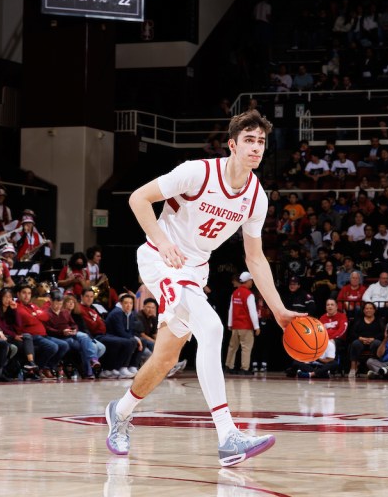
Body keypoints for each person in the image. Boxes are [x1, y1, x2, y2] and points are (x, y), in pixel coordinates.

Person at [104, 110, 301, 467]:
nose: (256, 148)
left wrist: (279, 309)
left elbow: (255, 260)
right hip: (160, 260)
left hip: (194, 273)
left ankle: (120, 411)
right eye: (249, 141)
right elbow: (138, 199)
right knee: (211, 328)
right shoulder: (197, 172)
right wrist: (163, 242)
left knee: (165, 358)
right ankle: (228, 436)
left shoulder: (256, 198)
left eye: (261, 142)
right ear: (232, 144)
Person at [225, 271, 260, 376]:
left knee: (232, 346)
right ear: (247, 281)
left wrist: (230, 324)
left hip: (235, 325)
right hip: (246, 326)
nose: (252, 283)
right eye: (251, 281)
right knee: (246, 347)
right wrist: (256, 326)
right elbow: (252, 312)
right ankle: (244, 368)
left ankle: (228, 366)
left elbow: (231, 310)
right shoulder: (249, 294)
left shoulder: (235, 293)